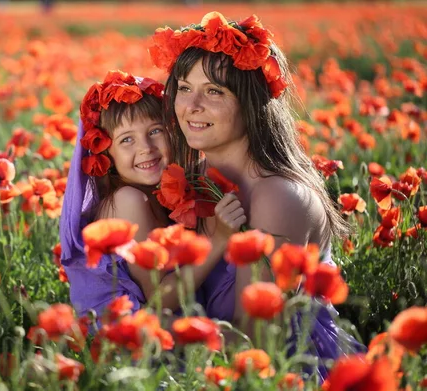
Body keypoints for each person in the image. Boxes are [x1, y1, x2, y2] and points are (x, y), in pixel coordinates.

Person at [148, 12, 364, 383]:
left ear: (251, 101)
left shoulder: (277, 196)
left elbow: (257, 339)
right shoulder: (194, 179)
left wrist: (165, 335)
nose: (191, 105)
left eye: (214, 91)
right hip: (212, 362)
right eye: (184, 87)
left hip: (287, 373)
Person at [59, 70, 245, 322]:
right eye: (127, 140)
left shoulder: (161, 191)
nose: (145, 148)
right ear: (106, 156)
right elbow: (158, 302)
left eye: (155, 131)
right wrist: (219, 240)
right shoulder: (128, 200)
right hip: (133, 342)